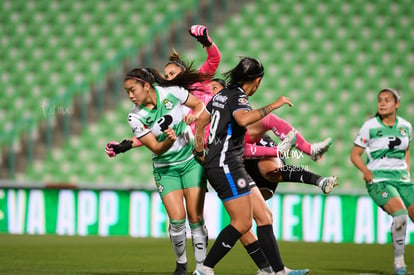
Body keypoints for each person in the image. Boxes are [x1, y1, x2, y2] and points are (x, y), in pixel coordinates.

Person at [194, 57, 309, 275]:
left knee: (264, 217)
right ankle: (204, 269)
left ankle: (278, 271)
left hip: (228, 164)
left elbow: (200, 121)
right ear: (256, 81)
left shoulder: (222, 94)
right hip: (226, 165)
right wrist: (274, 105)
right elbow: (244, 120)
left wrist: (200, 150)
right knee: (242, 222)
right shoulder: (238, 97)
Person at [108, 66, 213, 275]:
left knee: (195, 218)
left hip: (190, 161)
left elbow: (199, 105)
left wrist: (195, 116)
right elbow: (155, 147)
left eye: (132, 90)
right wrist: (168, 140)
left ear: (146, 86)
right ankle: (181, 265)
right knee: (176, 220)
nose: (130, 96)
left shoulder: (171, 92)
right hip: (165, 169)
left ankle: (202, 268)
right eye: (127, 92)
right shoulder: (135, 117)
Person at [209, 78, 338, 198]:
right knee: (250, 219)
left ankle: (316, 168)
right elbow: (241, 150)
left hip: (261, 157)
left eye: (215, 88)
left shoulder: (238, 113)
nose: (211, 92)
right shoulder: (205, 122)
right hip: (238, 166)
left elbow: (268, 121)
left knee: (270, 169)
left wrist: (279, 151)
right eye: (207, 90)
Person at [350, 88, 414, 275]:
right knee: (400, 215)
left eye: (387, 100)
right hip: (379, 180)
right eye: (380, 100)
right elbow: (355, 155)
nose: (382, 103)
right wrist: (366, 170)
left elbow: (406, 150)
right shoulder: (369, 126)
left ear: (397, 104)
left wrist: (407, 171)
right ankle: (399, 261)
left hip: (402, 179)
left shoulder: (406, 126)